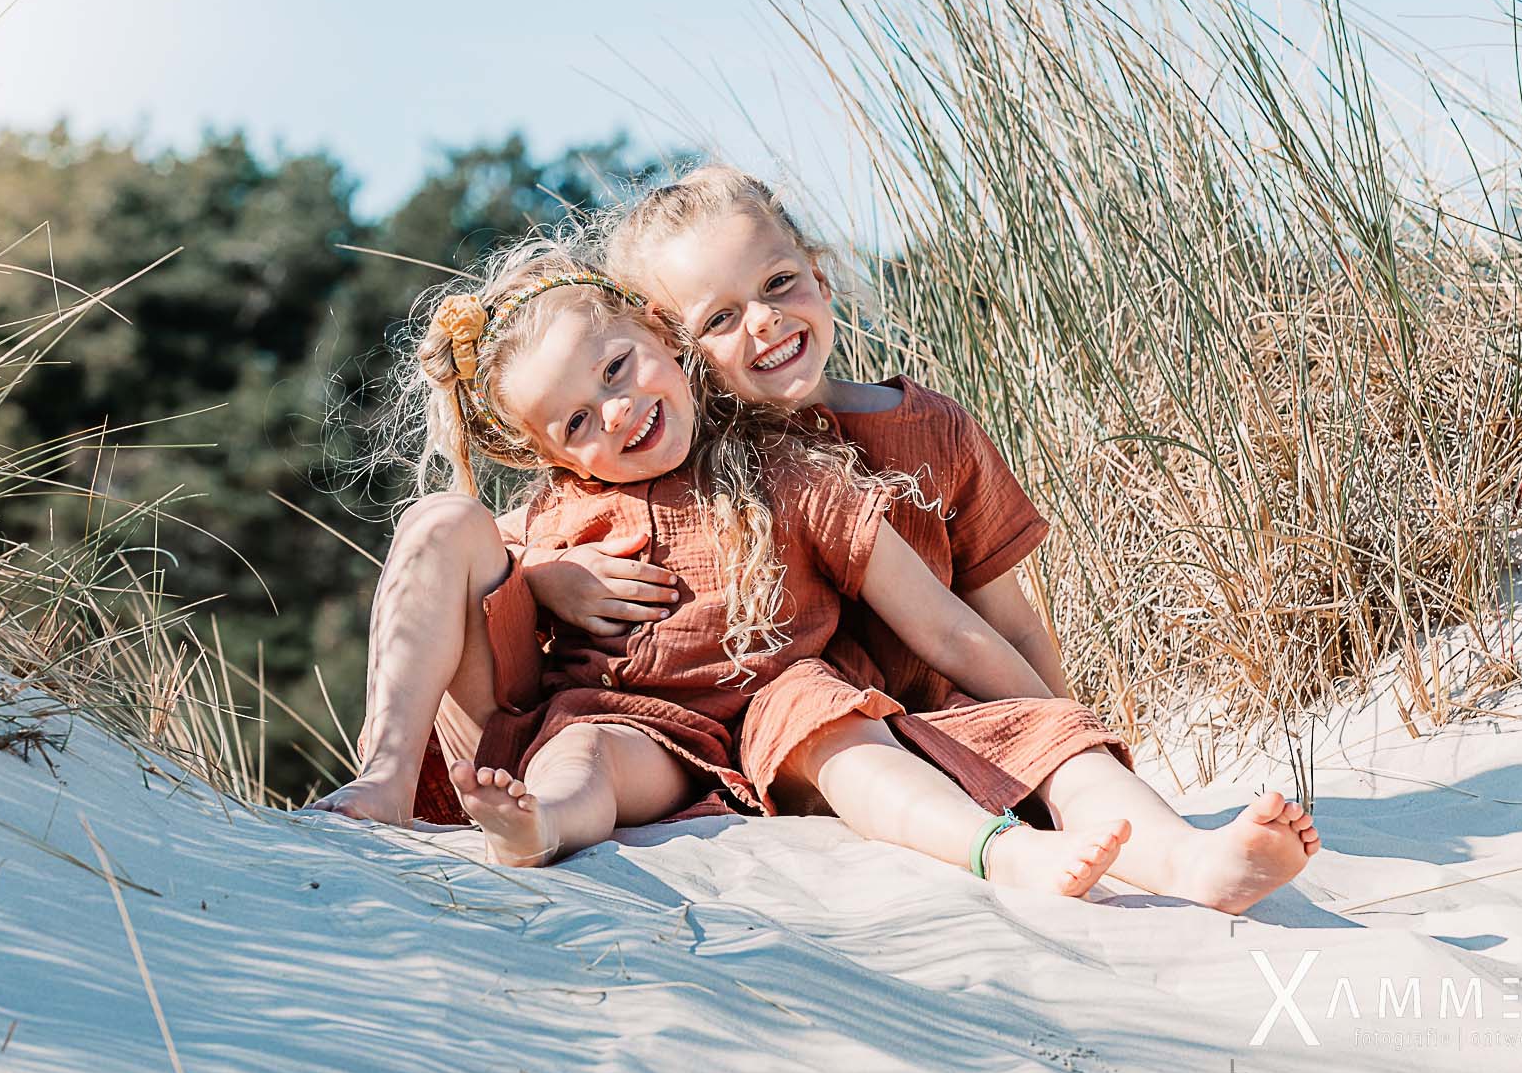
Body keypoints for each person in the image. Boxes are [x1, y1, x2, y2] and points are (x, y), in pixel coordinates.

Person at [585, 165, 1320, 911]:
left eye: (778, 283)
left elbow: (1005, 621)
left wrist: (1069, 730)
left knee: (1055, 747)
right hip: (820, 747)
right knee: (818, 711)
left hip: (952, 712)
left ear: (820, 275)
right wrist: (558, 577)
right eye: (719, 319)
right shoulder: (686, 469)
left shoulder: (934, 429)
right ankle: (1006, 847)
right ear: (672, 351)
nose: (765, 321)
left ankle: (1194, 860)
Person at [309, 234, 1132, 897]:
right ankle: (406, 785)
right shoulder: (565, 505)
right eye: (578, 422)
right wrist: (543, 576)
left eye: (616, 369)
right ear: (551, 456)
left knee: (804, 725)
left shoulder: (776, 468)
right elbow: (480, 561)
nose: (616, 412)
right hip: (590, 722)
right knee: (452, 537)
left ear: (661, 334)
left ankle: (998, 846)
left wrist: (1062, 725)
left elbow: (950, 627)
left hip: (733, 727)